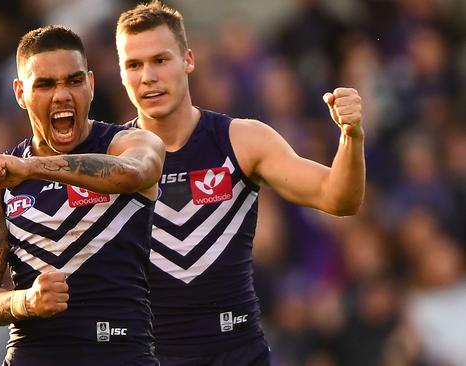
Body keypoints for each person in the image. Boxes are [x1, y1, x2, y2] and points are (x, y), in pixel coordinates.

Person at [114, 1, 365, 365]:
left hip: (238, 354)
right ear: (119, 73)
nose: (147, 76)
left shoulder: (241, 140)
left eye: (160, 60)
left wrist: (351, 137)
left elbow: (339, 199)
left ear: (188, 60)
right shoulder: (109, 160)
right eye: (133, 65)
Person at [0, 25, 165, 366]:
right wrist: (26, 302)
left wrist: (34, 168)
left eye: (74, 81)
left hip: (121, 354)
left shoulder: (131, 143)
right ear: (20, 93)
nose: (62, 95)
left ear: (91, 84)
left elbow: (136, 173)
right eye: (46, 84)